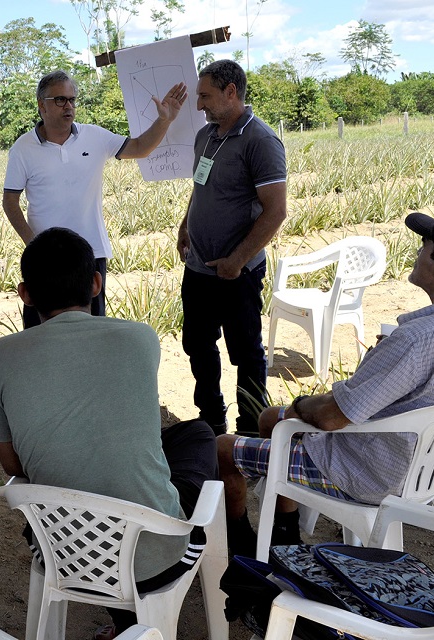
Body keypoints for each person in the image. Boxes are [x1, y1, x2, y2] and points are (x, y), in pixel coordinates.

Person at [217, 207, 434, 557]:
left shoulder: (420, 339)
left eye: (425, 246)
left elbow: (333, 417)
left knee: (223, 448)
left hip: (367, 474)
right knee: (273, 419)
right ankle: (284, 531)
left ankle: (242, 545)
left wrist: (302, 404)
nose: (417, 253)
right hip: (425, 464)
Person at [0, 227, 216, 639]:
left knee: (178, 439)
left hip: (61, 552)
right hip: (156, 560)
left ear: (25, 294)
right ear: (95, 282)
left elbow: (11, 463)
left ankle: (123, 623)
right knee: (199, 436)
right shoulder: (140, 338)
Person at [2, 70, 188, 328]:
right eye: (60, 100)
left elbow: (139, 148)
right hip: (44, 257)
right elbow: (10, 202)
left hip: (91, 253)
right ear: (41, 105)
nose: (68, 106)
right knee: (39, 333)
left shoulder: (95, 136)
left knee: (90, 330)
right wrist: (33, 244)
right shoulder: (22, 149)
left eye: (72, 99)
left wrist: (164, 121)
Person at [176, 59, 288, 437]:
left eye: (205, 96)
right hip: (199, 269)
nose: (198, 105)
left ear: (230, 92)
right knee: (197, 344)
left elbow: (276, 211)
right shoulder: (206, 136)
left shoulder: (261, 140)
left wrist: (237, 261)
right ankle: (211, 419)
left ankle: (251, 426)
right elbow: (199, 187)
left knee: (246, 353)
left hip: (236, 273)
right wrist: (185, 226)